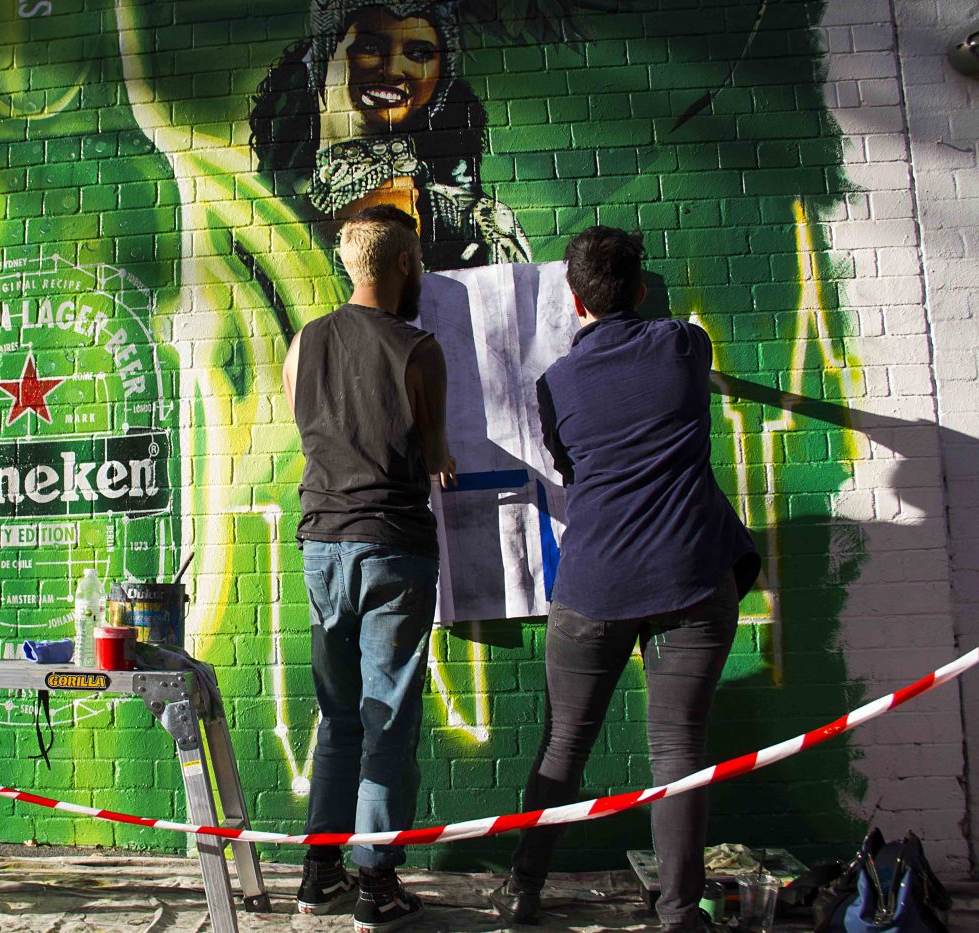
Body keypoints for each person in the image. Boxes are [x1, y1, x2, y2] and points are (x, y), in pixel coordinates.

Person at [490, 227, 761, 932]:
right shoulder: (684, 345)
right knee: (679, 752)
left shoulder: (555, 385)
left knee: (564, 744)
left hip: (595, 586)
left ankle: (523, 888)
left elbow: (569, 465)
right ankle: (679, 914)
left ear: (574, 300)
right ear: (641, 289)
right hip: (691, 577)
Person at [282, 204, 457, 932]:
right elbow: (436, 456)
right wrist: (441, 456)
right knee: (389, 716)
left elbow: (312, 430)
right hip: (393, 545)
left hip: (322, 542)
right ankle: (376, 883)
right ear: (404, 264)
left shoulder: (303, 343)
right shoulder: (420, 350)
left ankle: (319, 873)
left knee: (339, 717)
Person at [251, 0, 532, 269]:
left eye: (420, 54)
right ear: (325, 52)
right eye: (371, 46)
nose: (394, 70)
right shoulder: (266, 195)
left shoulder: (474, 223)